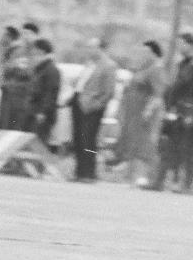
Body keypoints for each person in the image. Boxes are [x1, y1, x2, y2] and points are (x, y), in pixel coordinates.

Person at [148, 32, 193, 193]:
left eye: (182, 44)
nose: (179, 47)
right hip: (175, 111)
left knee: (187, 149)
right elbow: (175, 88)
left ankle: (185, 184)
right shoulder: (182, 64)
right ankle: (159, 181)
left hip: (189, 113)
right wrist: (168, 106)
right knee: (168, 146)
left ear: (190, 45)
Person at [113, 40, 167, 187]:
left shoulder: (156, 69)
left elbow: (158, 94)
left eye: (146, 52)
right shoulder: (143, 68)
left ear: (153, 53)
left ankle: (144, 177)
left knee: (144, 145)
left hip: (145, 114)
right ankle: (130, 177)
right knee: (132, 143)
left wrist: (148, 111)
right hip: (133, 114)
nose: (142, 54)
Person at [68, 38, 118, 182]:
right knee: (78, 138)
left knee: (88, 139)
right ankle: (79, 172)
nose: (89, 50)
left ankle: (89, 173)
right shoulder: (89, 63)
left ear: (100, 48)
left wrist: (96, 104)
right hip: (79, 102)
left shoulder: (108, 65)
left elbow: (109, 91)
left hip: (92, 107)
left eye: (92, 47)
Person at [0, 25, 33, 130]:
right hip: (8, 91)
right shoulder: (9, 51)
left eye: (3, 35)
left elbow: (21, 71)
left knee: (9, 125)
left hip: (14, 94)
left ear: (9, 37)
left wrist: (10, 67)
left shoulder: (19, 51)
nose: (1, 38)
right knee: (4, 124)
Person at [28, 38, 61, 144]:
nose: (32, 55)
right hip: (35, 112)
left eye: (34, 51)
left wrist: (42, 112)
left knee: (39, 144)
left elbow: (50, 93)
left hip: (42, 115)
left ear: (41, 51)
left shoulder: (50, 69)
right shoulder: (41, 68)